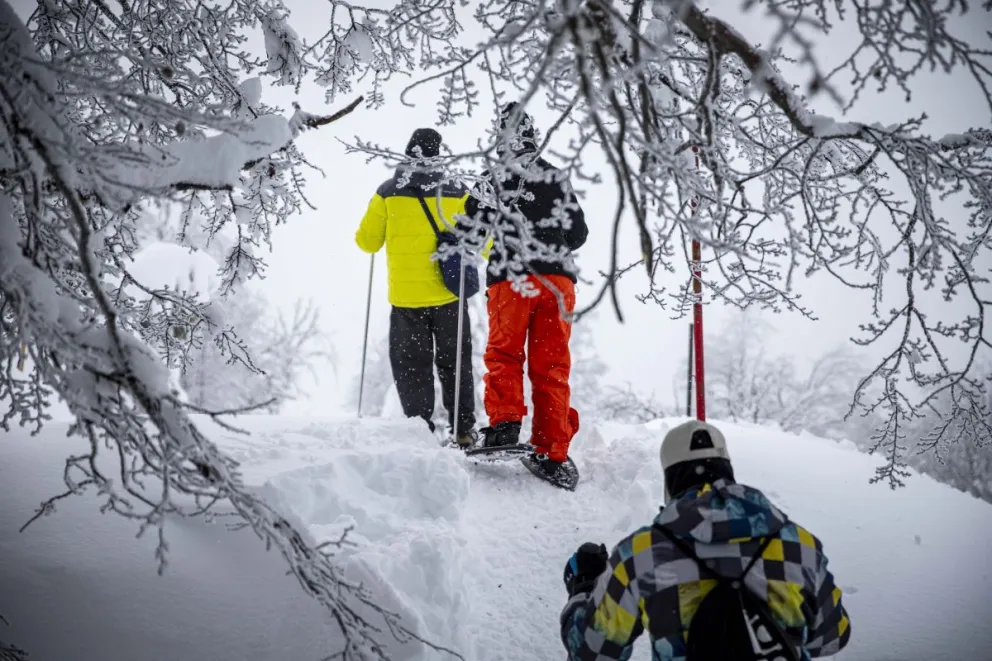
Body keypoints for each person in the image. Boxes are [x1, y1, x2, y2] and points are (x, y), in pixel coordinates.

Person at [559, 419, 852, 661]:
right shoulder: (798, 545)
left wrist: (584, 589)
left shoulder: (642, 554)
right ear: (728, 470)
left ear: (670, 480)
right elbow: (831, 637)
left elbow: (593, 653)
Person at [459, 102, 588, 482]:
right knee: (552, 366)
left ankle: (504, 427)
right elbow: (578, 234)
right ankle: (552, 450)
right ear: (532, 135)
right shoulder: (554, 176)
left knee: (505, 353)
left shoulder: (494, 178)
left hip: (511, 279)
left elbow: (469, 233)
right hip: (557, 282)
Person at [355, 128, 477, 447]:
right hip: (450, 295)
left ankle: (420, 431)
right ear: (440, 156)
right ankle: (463, 430)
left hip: (407, 300)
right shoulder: (457, 191)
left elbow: (366, 243)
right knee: (456, 362)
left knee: (412, 366)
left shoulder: (387, 192)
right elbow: (483, 240)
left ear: (407, 153)